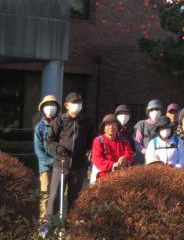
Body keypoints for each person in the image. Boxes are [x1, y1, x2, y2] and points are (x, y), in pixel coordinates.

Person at [46, 92, 94, 223]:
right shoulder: (59, 120)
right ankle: (49, 224)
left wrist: (89, 151)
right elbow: (50, 141)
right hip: (61, 163)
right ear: (67, 105)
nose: (77, 105)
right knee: (55, 195)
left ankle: (72, 224)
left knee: (75, 196)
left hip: (79, 165)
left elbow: (91, 140)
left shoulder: (86, 121)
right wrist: (58, 149)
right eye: (74, 103)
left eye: (79, 103)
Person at [34, 95, 59, 223]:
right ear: (42, 108)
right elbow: (38, 149)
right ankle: (44, 222)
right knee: (45, 193)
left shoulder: (61, 125)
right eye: (47, 105)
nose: (50, 108)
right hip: (45, 167)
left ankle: (55, 221)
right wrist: (49, 162)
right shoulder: (39, 127)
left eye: (53, 105)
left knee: (58, 194)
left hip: (60, 165)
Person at [91, 113, 134, 182]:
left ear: (117, 127)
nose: (111, 127)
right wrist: (113, 165)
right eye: (108, 125)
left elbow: (130, 153)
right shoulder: (98, 141)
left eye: (114, 124)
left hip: (122, 176)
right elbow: (97, 159)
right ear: (104, 128)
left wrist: (125, 158)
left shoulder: (123, 140)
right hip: (103, 177)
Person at [133, 99, 163, 164]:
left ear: (161, 111)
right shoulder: (142, 125)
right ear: (148, 112)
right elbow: (138, 144)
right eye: (152, 110)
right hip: (144, 158)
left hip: (161, 157)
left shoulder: (164, 125)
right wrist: (148, 152)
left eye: (157, 109)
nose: (155, 112)